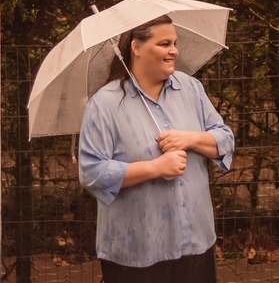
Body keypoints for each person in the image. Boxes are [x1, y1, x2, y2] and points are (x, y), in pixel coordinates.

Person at [79, 14, 235, 283]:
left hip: (195, 244)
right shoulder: (105, 104)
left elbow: (224, 139)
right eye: (164, 44)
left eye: (174, 43)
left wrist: (191, 139)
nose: (173, 51)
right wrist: (155, 168)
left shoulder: (191, 89)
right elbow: (92, 173)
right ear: (136, 48)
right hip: (137, 252)